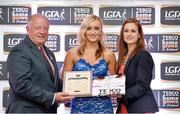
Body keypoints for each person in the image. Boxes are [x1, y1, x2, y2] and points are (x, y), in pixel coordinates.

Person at [6, 14, 74, 113]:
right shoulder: (19, 51)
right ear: (28, 29)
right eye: (38, 28)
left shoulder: (49, 53)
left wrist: (76, 86)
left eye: (45, 29)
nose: (42, 32)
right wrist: (53, 97)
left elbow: (52, 83)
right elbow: (22, 85)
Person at [62, 14, 116, 113]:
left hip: (104, 108)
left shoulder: (109, 54)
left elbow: (114, 84)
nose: (92, 32)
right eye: (89, 28)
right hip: (79, 108)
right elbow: (64, 83)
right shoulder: (72, 54)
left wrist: (114, 90)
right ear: (84, 31)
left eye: (96, 28)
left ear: (101, 32)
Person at [116, 18, 159, 113]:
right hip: (125, 106)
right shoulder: (123, 56)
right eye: (126, 31)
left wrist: (122, 95)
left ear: (139, 34)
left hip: (140, 107)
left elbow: (142, 86)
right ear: (122, 34)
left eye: (133, 31)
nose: (129, 34)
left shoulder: (143, 55)